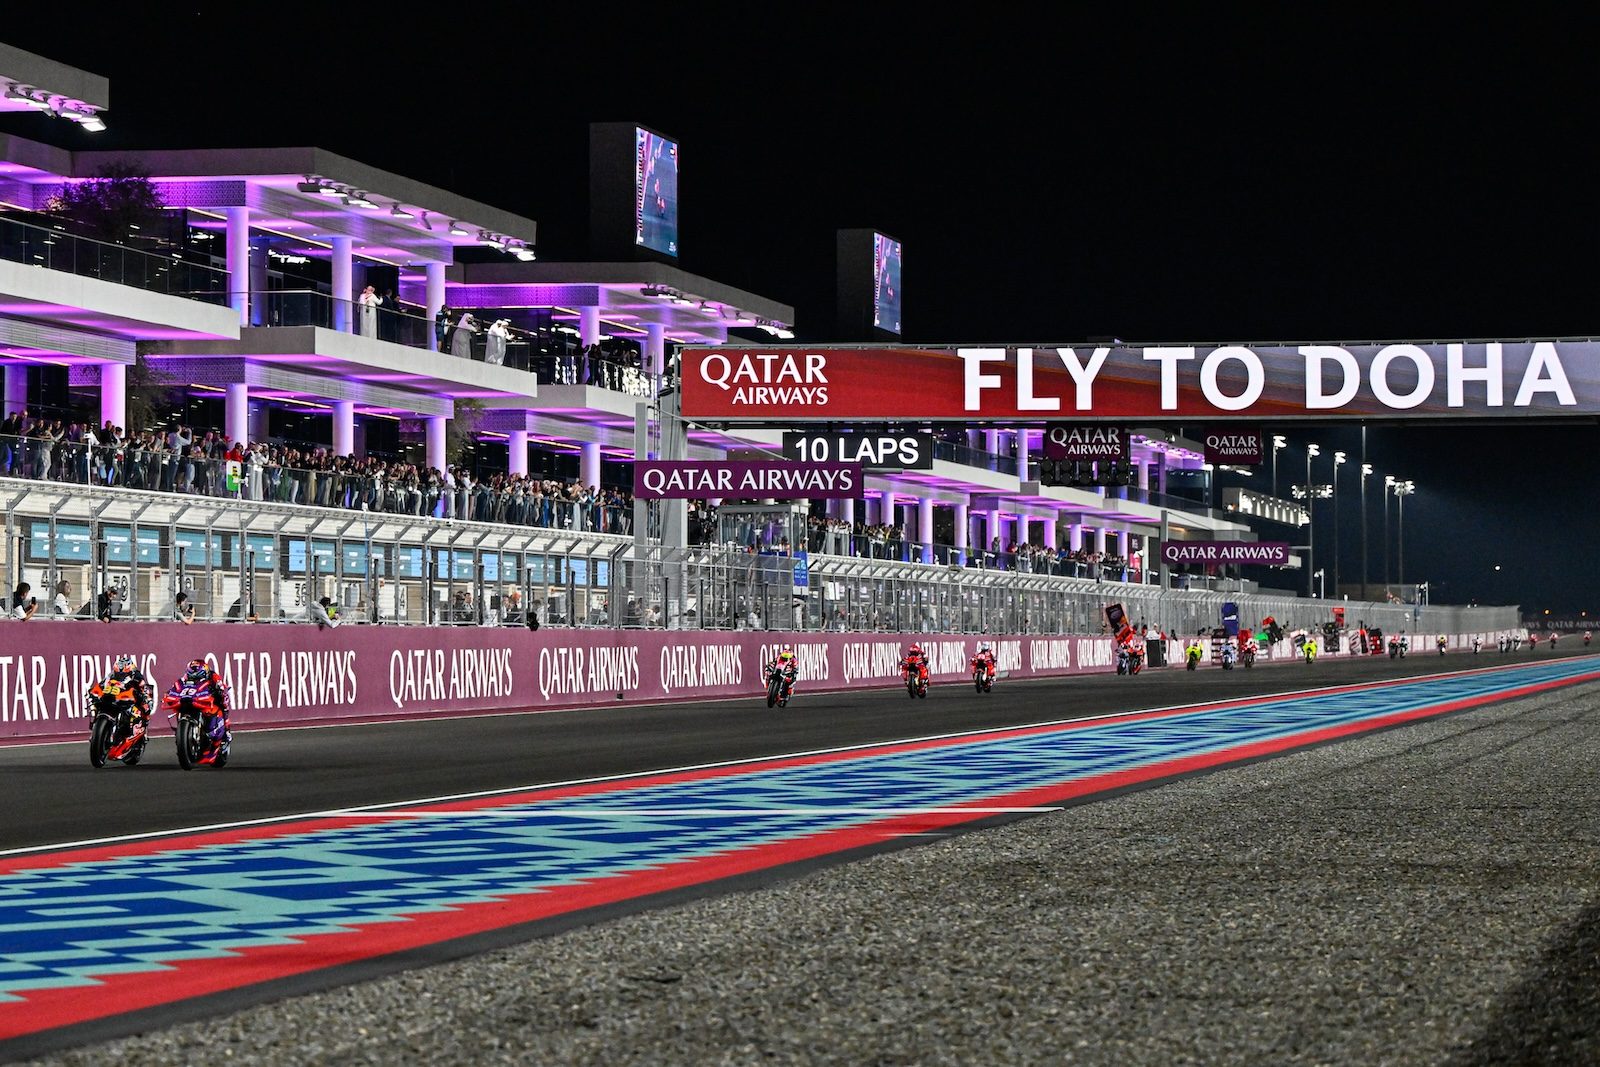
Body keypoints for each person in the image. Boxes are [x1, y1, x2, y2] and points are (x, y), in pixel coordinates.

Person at [169, 657, 231, 750]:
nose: (193, 677)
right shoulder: (185, 677)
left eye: (197, 675)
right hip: (193, 699)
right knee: (180, 706)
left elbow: (222, 687)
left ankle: (226, 730)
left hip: (208, 700)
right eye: (191, 674)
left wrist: (219, 691)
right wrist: (171, 692)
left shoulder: (213, 676)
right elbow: (177, 685)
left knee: (224, 703)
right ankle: (182, 732)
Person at [98, 652, 153, 735]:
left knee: (146, 706)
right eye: (117, 674)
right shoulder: (111, 675)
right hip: (116, 697)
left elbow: (143, 689)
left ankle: (142, 727)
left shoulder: (137, 675)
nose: (120, 676)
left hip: (130, 697)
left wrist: (144, 698)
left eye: (123, 674)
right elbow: (103, 683)